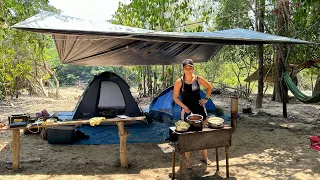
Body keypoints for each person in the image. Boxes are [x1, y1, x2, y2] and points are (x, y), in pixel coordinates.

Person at [173, 59, 213, 169]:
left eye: (190, 68)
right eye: (186, 68)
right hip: (186, 110)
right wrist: (184, 106)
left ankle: (205, 157)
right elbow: (175, 98)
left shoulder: (198, 79)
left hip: (200, 109)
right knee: (187, 135)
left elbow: (209, 87)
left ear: (193, 68)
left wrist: (206, 99)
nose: (188, 70)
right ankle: (188, 160)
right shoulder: (179, 81)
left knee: (203, 133)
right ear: (183, 69)